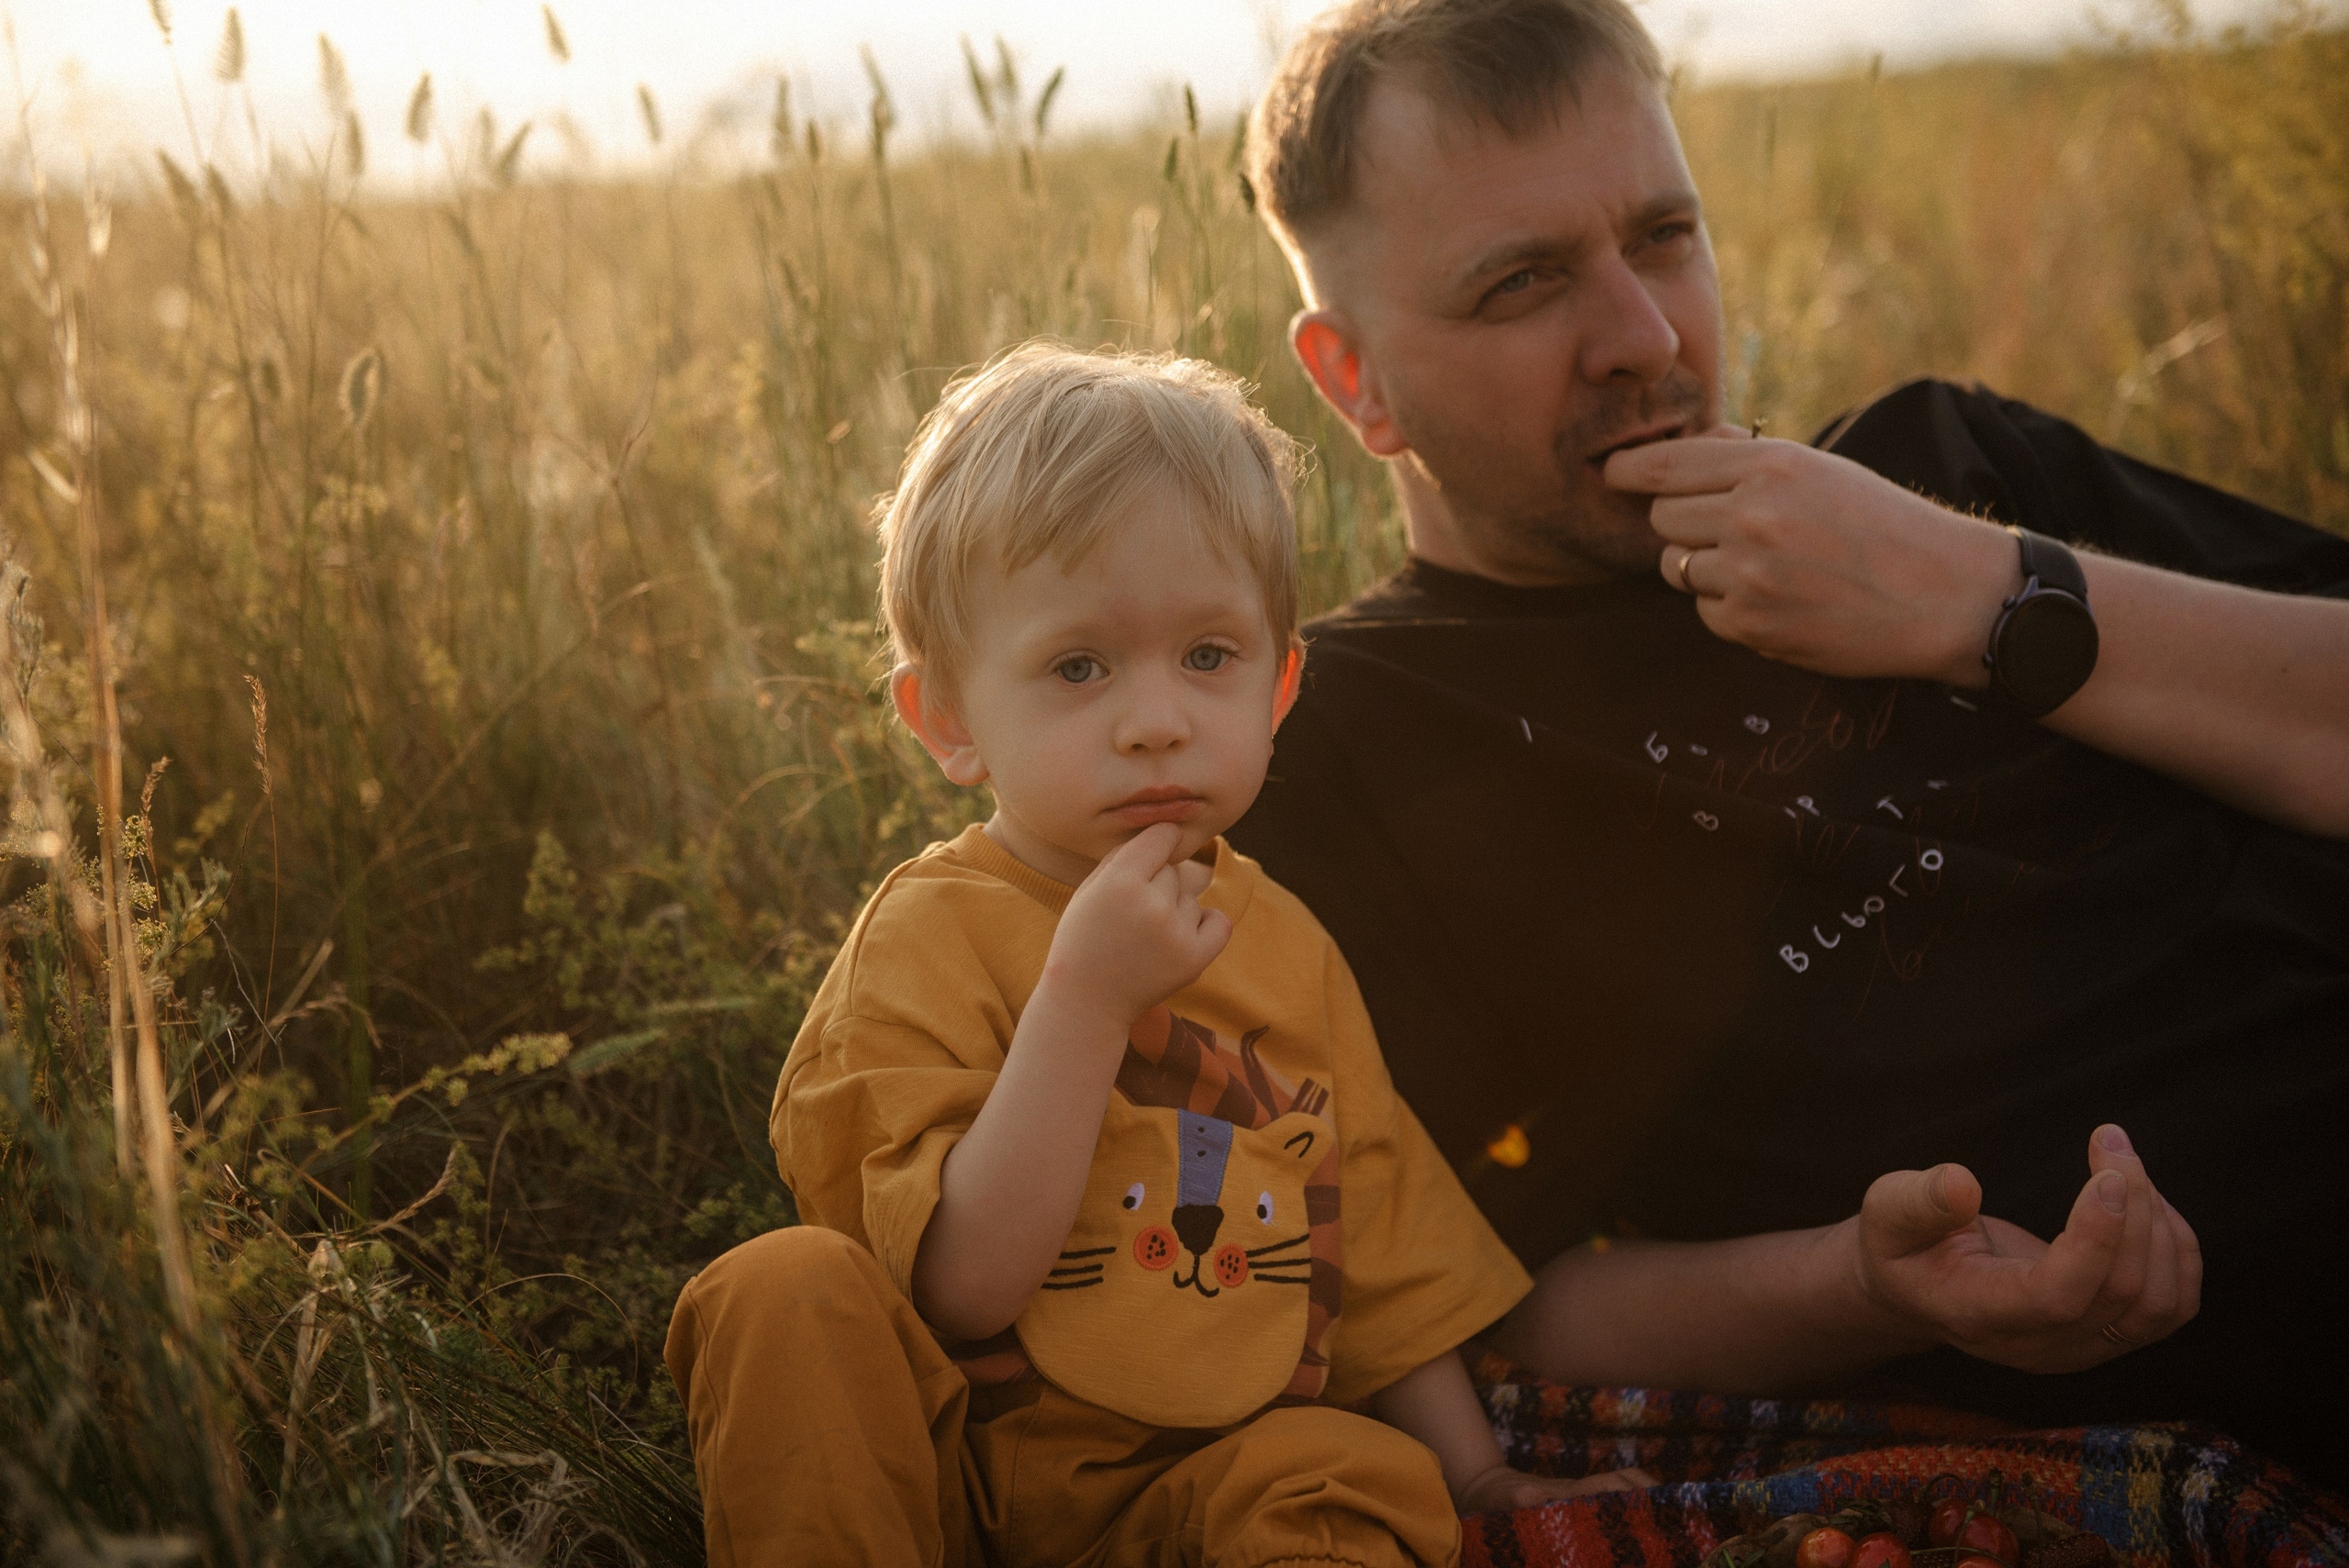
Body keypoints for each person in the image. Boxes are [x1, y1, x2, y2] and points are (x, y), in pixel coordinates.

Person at [1226, 0, 2349, 1484]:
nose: (1642, 335)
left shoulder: (1936, 468)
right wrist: (1866, 1283)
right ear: (1353, 378)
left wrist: (1977, 592)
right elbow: (1487, 1297)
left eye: (1665, 235)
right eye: (1520, 285)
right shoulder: (1346, 745)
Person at [664, 343, 1665, 1568]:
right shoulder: (930, 937)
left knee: (1353, 1475)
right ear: (950, 721)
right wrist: (1084, 997)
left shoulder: (1286, 945)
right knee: (780, 1289)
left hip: (1198, 1487)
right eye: (1077, 666)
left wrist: (1479, 1471)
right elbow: (963, 1284)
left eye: (1209, 656)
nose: (1156, 720)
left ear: (1282, 684)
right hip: (948, 1486)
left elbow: (1385, 1260)